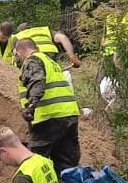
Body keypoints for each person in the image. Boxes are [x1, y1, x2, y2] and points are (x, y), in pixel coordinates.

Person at [12, 39, 81, 174]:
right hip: (69, 115)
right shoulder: (49, 62)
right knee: (66, 164)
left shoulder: (32, 61)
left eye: (16, 54)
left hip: (49, 118)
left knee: (35, 162)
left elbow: (37, 81)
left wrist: (31, 106)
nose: (16, 58)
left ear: (20, 51)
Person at [12, 24, 81, 68]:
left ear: (20, 30)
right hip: (50, 54)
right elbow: (63, 37)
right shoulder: (45, 30)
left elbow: (15, 52)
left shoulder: (18, 35)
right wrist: (72, 57)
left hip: (32, 55)